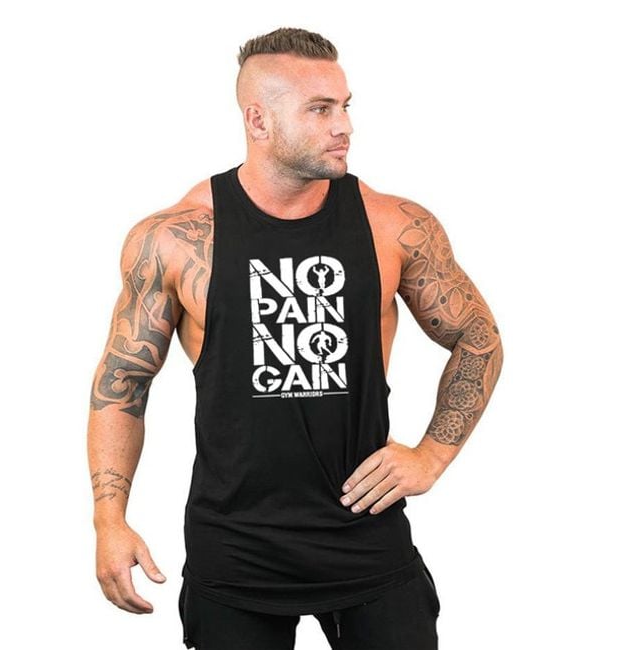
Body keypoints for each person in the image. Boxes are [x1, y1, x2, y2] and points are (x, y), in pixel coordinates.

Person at [87, 26, 503, 650]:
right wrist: (109, 520)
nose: (345, 126)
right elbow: (124, 382)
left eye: (345, 106)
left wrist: (432, 456)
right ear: (258, 120)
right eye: (320, 109)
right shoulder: (176, 238)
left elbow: (477, 335)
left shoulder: (394, 226)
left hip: (366, 538)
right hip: (236, 549)